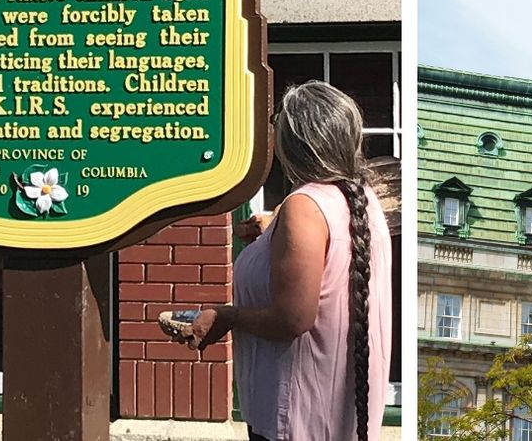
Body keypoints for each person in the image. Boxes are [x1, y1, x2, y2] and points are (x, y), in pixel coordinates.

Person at [160, 81, 392, 441]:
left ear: (292, 143)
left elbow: (292, 318)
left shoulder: (304, 206)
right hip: (333, 419)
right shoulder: (362, 199)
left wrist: (225, 317)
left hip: (294, 420)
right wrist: (275, 231)